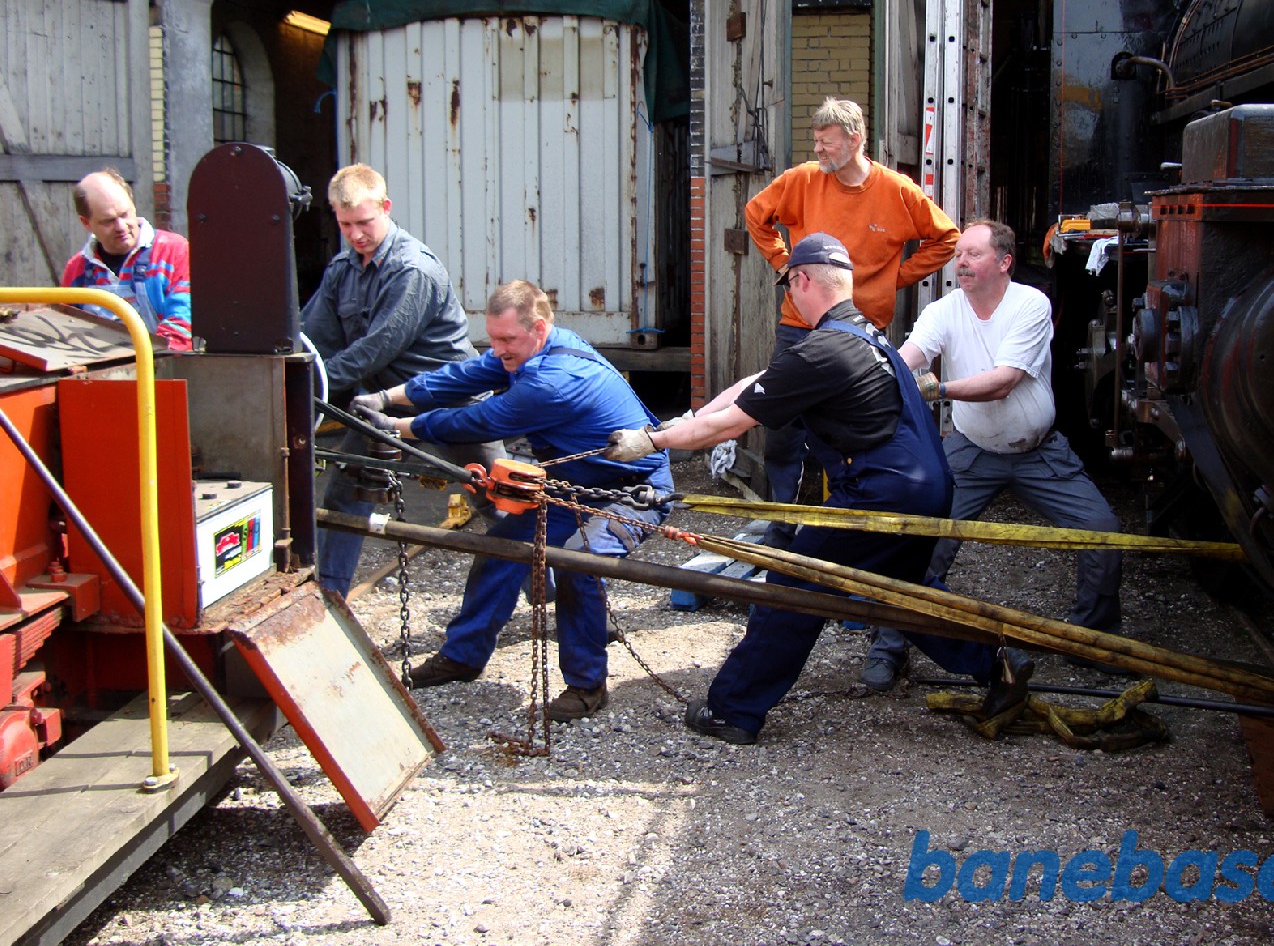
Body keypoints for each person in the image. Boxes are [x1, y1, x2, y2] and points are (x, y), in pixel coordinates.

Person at [604, 234, 1031, 745]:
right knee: (897, 596)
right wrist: (687, 419)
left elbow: (729, 428)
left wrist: (649, 441)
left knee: (793, 587)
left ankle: (732, 710)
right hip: (923, 489)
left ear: (802, 280)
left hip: (882, 495)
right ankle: (998, 663)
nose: (791, 297)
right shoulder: (863, 335)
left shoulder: (823, 350)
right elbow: (753, 385)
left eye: (791, 287)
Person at [358, 280, 673, 722]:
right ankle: (463, 656)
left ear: (539, 328)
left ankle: (587, 686)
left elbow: (480, 419)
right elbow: (466, 375)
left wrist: (396, 427)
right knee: (500, 549)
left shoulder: (554, 382)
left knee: (579, 562)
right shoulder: (537, 347)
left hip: (632, 493)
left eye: (507, 339)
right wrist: (386, 398)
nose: (498, 349)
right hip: (572, 486)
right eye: (494, 338)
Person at [861, 219, 1123, 689]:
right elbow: (906, 359)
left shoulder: (1031, 304)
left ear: (1003, 262)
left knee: (1103, 532)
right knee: (924, 542)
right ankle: (890, 646)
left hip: (1039, 452)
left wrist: (936, 389)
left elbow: (1004, 381)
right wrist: (872, 371)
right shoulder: (944, 310)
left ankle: (1093, 638)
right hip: (972, 451)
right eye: (958, 254)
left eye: (973, 254)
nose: (961, 262)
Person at [745, 97, 960, 547]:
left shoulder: (897, 191)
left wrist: (892, 280)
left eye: (827, 143)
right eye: (816, 142)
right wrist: (785, 263)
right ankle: (782, 528)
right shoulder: (802, 179)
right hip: (800, 327)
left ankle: (842, 528)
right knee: (782, 432)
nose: (818, 151)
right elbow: (755, 215)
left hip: (860, 333)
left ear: (855, 140)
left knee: (852, 434)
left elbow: (946, 238)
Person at [301, 163, 503, 597]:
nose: (356, 234)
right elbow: (314, 335)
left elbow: (377, 347)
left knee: (501, 502)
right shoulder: (343, 269)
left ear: (386, 208)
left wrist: (312, 384)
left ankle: (563, 602)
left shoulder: (414, 269)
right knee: (344, 498)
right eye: (346, 224)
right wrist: (288, 363)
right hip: (382, 404)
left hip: (451, 400)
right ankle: (326, 601)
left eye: (365, 222)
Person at [62, 168, 193, 350]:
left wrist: (144, 363)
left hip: (162, 369)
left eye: (124, 214)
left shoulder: (174, 252)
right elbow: (66, 333)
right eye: (108, 221)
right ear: (86, 223)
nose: (121, 227)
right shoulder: (77, 271)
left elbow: (183, 322)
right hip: (102, 375)